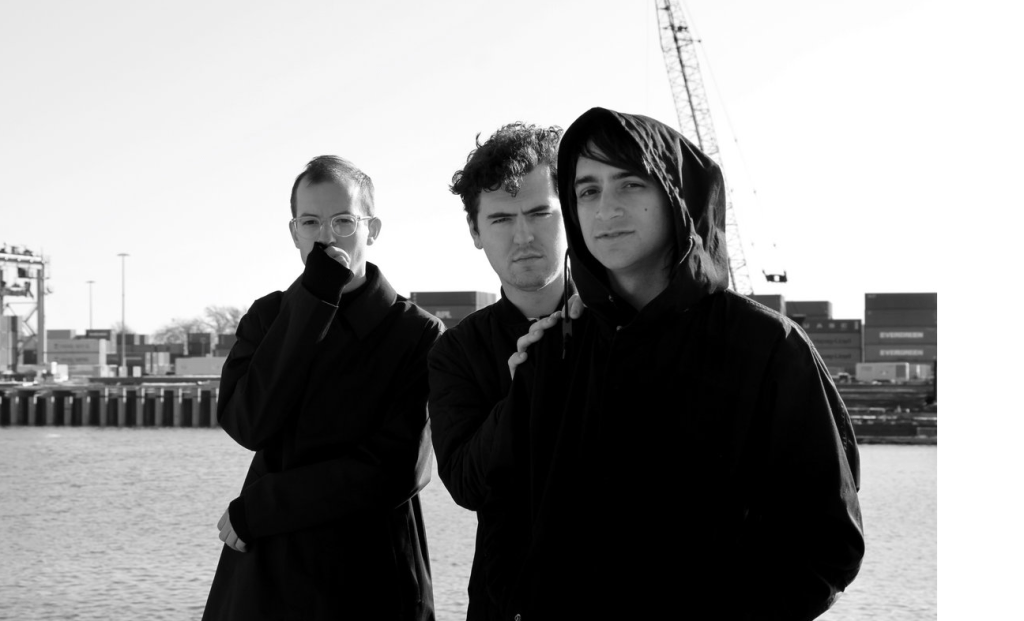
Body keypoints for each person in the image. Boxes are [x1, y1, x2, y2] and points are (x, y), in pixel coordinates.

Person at [495, 107, 865, 620]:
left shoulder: (767, 347)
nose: (606, 209)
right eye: (587, 191)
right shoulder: (555, 348)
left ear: (677, 196)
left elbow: (826, 541)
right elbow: (512, 521)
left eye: (631, 184)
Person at [203, 155, 443, 621]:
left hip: (372, 576)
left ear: (372, 230)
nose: (327, 237)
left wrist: (263, 506)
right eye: (311, 222)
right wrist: (313, 302)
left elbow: (399, 469)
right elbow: (248, 424)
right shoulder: (269, 317)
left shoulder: (417, 332)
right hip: (268, 576)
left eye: (343, 221)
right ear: (294, 233)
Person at [427, 122, 570, 620]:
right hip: (506, 602)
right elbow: (466, 485)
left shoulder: (623, 327)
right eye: (502, 219)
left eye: (539, 213)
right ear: (475, 232)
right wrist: (520, 394)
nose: (523, 236)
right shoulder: (456, 353)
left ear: (571, 214)